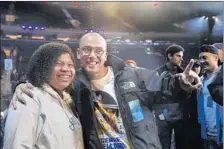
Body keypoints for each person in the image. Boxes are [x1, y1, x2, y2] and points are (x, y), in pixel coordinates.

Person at [11, 33, 201, 149]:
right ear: (78, 54)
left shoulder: (134, 76)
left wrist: (182, 82)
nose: (92, 56)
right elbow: (47, 82)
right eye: (86, 50)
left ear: (105, 53)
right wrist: (23, 85)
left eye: (98, 51)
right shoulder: (74, 83)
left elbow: (165, 86)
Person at [3, 42, 84, 149]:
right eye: (58, 63)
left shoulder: (69, 101)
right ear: (43, 67)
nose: (66, 69)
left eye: (70, 65)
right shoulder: (28, 98)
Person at [152, 45, 190, 149]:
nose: (181, 59)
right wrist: (159, 114)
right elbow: (154, 94)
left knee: (181, 144)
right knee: (164, 145)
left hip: (180, 116)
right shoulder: (158, 73)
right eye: (178, 56)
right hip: (163, 117)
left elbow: (187, 95)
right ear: (169, 56)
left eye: (182, 56)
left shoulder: (183, 73)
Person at [198, 44, 223, 149]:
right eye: (200, 58)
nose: (201, 61)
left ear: (216, 58)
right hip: (207, 133)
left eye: (204, 57)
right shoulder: (199, 79)